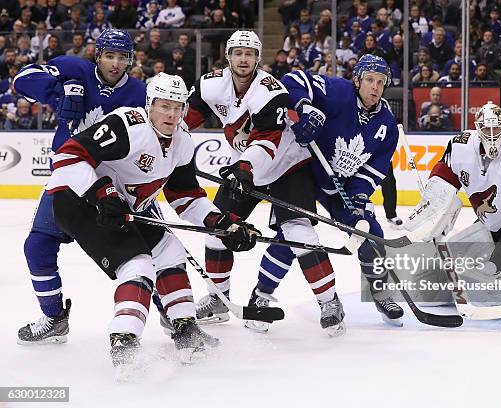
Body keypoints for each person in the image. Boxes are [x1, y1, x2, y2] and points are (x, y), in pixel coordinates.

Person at [46, 72, 259, 368]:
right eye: (164, 106)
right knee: (138, 265)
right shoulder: (128, 126)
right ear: (149, 105)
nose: (171, 114)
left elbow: (185, 196)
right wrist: (102, 194)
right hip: (78, 202)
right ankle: (124, 343)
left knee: (169, 251)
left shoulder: (182, 141)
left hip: (124, 208)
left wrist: (223, 224)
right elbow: (67, 157)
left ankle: (186, 332)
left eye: (178, 106)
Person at [185, 31, 346, 336]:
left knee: (300, 234)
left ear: (258, 58)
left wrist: (244, 168)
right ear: (228, 56)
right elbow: (185, 118)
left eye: (249, 53)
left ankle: (329, 301)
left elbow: (267, 141)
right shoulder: (210, 84)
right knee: (217, 229)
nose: (243, 59)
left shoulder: (270, 90)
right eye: (237, 53)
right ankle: (219, 299)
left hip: (287, 165)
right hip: (247, 170)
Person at [13, 29, 147, 345]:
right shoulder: (75, 70)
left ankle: (175, 316)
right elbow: (21, 80)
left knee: (143, 253)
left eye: (122, 57)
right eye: (109, 56)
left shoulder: (139, 92)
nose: (115, 64)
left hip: (111, 187)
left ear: (130, 60)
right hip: (68, 179)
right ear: (97, 55)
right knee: (38, 245)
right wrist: (60, 89)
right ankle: (54, 318)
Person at [404, 102, 501, 326]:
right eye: (486, 129)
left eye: (497, 129)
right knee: (426, 283)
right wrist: (435, 207)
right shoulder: (461, 146)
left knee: (492, 280)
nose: (492, 135)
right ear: (477, 128)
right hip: (489, 225)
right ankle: (473, 287)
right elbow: (443, 175)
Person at [279, 54, 405, 325]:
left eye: (381, 82)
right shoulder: (337, 91)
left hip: (340, 188)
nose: (375, 87)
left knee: (371, 233)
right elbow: (291, 80)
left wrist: (360, 195)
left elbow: (376, 167)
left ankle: (381, 293)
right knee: (291, 235)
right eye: (370, 80)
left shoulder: (387, 125)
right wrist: (305, 108)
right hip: (303, 173)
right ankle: (262, 295)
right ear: (357, 79)